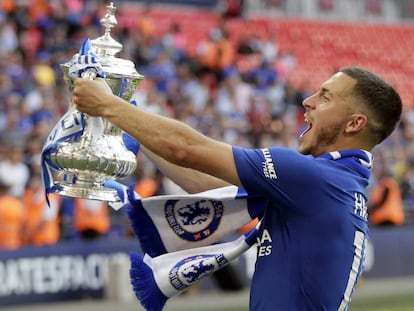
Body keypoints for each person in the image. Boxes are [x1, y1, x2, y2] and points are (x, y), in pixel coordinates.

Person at [72, 66, 402, 310]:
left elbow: (188, 149)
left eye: (325, 96)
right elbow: (199, 179)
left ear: (355, 123)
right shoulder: (335, 181)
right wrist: (129, 126)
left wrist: (108, 105)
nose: (307, 100)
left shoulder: (314, 179)